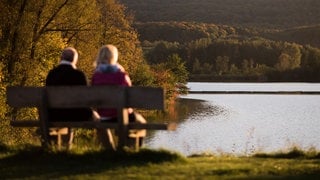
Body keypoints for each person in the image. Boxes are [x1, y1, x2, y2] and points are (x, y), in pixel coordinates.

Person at [91, 44, 146, 147]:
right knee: (141, 122)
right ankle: (132, 150)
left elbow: (94, 99)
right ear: (114, 57)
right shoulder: (121, 75)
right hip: (122, 116)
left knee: (102, 125)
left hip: (104, 117)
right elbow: (131, 97)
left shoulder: (96, 76)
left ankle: (110, 152)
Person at [45, 47, 98, 149]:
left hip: (54, 114)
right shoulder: (79, 75)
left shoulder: (51, 74)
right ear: (75, 60)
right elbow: (86, 100)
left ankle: (58, 150)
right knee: (97, 119)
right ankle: (109, 151)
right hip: (77, 115)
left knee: (65, 114)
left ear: (61, 58)